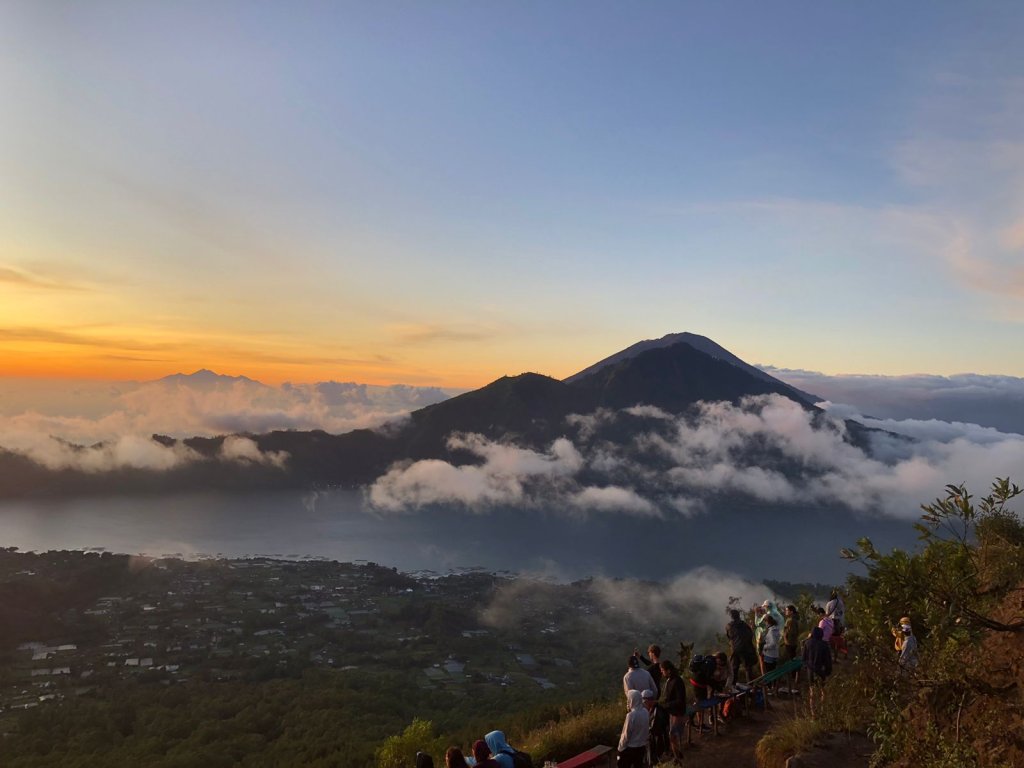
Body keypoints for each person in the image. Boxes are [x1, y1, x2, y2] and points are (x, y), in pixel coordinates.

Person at [659, 660, 687, 765]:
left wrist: (667, 705)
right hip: (672, 712)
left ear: (668, 670)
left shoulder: (677, 681)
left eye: (662, 670)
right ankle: (677, 756)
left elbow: (680, 700)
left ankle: (678, 758)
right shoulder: (670, 680)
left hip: (678, 713)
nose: (662, 672)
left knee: (673, 735)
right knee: (673, 735)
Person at [802, 627, 832, 718]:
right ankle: (822, 711)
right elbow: (828, 661)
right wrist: (827, 671)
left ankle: (813, 714)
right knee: (823, 691)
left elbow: (803, 659)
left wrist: (807, 666)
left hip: (810, 671)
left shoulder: (807, 643)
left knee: (812, 692)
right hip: (821, 671)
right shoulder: (824, 645)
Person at [617, 690, 650, 768]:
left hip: (630, 748)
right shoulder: (645, 712)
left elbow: (626, 735)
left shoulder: (631, 715)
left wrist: (620, 748)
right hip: (641, 747)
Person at [726, 609, 758, 683]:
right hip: (746, 649)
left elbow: (729, 637)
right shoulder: (745, 625)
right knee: (748, 668)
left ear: (731, 617)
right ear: (739, 616)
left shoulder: (729, 626)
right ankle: (751, 686)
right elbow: (750, 635)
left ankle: (733, 686)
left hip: (735, 649)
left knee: (734, 668)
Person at [642, 688, 670, 764]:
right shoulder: (654, 708)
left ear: (648, 701)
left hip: (657, 740)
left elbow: (655, 728)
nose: (644, 704)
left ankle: (651, 760)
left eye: (645, 702)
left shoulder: (657, 711)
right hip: (658, 736)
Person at [781, 604, 800, 695]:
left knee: (789, 659)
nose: (786, 611)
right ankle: (794, 676)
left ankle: (791, 677)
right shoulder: (795, 619)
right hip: (793, 642)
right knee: (792, 658)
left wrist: (785, 636)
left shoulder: (791, 620)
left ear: (791, 611)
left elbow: (791, 632)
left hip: (790, 643)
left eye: (787, 610)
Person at [761, 615, 781, 693]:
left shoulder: (771, 631)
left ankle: (770, 688)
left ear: (767, 622)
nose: (765, 624)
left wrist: (764, 646)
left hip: (769, 654)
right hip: (775, 654)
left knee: (769, 672)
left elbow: (773, 643)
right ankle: (774, 687)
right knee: (774, 671)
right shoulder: (776, 629)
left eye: (765, 622)